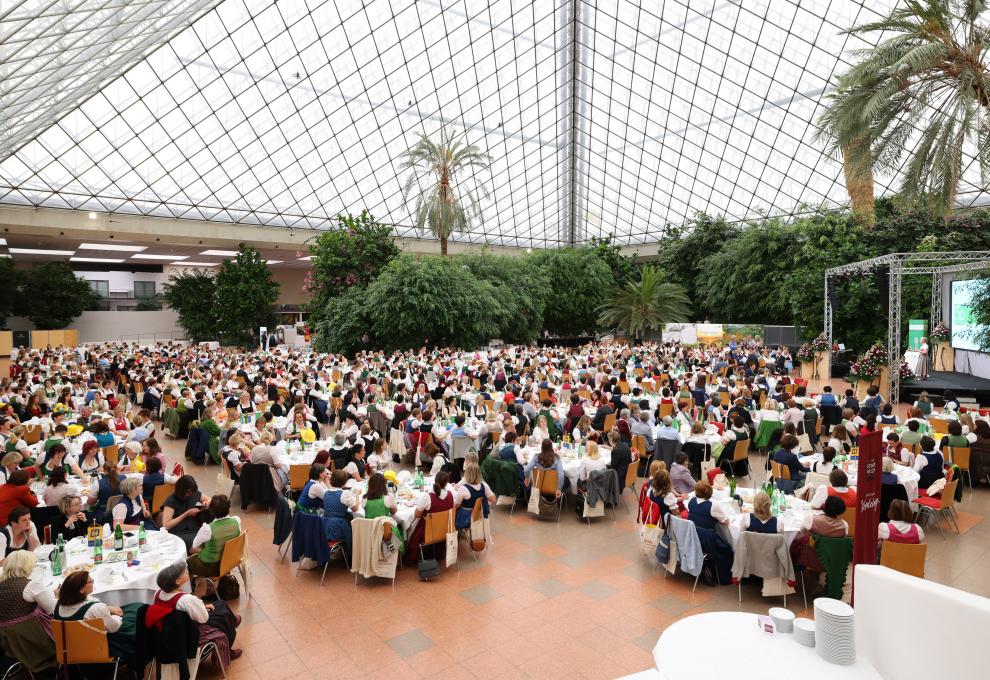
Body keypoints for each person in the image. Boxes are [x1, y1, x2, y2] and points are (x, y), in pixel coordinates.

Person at [148, 561, 242, 662]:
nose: (187, 572)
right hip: (190, 632)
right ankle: (228, 648)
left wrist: (201, 606)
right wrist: (202, 608)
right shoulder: (186, 600)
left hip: (170, 632)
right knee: (222, 609)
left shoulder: (157, 594)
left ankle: (231, 620)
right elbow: (203, 618)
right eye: (184, 572)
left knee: (219, 607)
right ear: (178, 581)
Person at [54, 570, 137, 659]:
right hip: (99, 648)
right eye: (90, 581)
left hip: (70, 650)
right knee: (136, 611)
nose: (93, 581)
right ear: (81, 590)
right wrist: (117, 616)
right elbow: (114, 627)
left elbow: (84, 605)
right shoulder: (95, 608)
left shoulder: (58, 605)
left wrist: (107, 608)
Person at [0, 550, 57, 675]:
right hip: (29, 639)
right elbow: (53, 610)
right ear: (27, 565)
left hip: (4, 641)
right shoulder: (31, 585)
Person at [404, 470, 456, 567]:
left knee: (409, 527)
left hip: (429, 531)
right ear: (446, 484)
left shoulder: (427, 496)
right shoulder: (450, 495)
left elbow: (417, 515)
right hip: (445, 530)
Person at [188, 494, 242, 576]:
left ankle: (195, 584)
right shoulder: (236, 521)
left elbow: (195, 545)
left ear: (211, 511)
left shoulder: (207, 529)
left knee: (187, 563)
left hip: (211, 567)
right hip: (228, 563)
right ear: (228, 508)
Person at [161, 475, 210, 550]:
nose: (189, 495)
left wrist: (206, 502)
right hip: (178, 531)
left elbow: (210, 499)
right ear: (180, 490)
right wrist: (186, 514)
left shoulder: (194, 493)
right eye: (187, 492)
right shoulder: (171, 500)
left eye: (190, 492)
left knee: (208, 539)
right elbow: (166, 525)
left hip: (192, 527)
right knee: (199, 546)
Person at [322, 469, 360, 557]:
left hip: (324, 525)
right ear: (344, 483)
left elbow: (331, 489)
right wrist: (357, 495)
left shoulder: (326, 492)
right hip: (338, 527)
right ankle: (352, 553)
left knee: (349, 516)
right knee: (353, 520)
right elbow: (355, 509)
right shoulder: (344, 494)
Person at [363, 472, 403, 554]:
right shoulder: (388, 498)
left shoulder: (364, 499)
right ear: (383, 484)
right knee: (401, 527)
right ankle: (395, 553)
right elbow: (394, 512)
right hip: (386, 532)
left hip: (370, 531)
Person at [455, 461, 495, 529]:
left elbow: (456, 506)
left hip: (465, 519)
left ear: (466, 474)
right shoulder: (484, 485)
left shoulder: (463, 488)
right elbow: (493, 499)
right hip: (479, 516)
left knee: (451, 510)